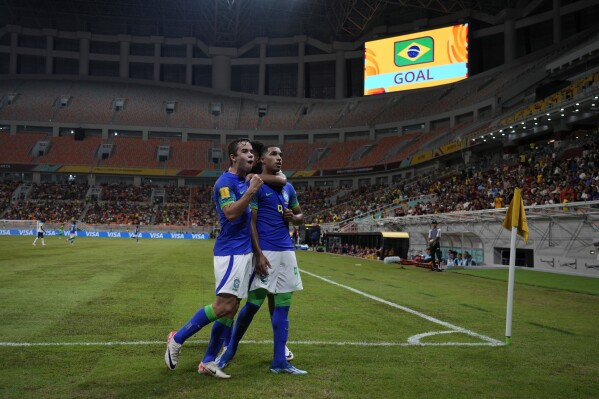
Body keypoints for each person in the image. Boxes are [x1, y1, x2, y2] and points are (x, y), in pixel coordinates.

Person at [165, 138, 264, 379]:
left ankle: (208, 361)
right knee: (223, 306)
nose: (251, 155)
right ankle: (177, 339)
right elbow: (230, 213)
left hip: (243, 252)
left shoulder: (242, 180)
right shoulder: (225, 183)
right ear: (233, 157)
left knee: (232, 310)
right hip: (230, 252)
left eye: (252, 152)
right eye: (245, 152)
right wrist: (251, 191)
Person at [216, 144, 307, 374]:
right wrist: (258, 254)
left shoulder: (288, 188)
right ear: (263, 160)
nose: (279, 159)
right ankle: (230, 350)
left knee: (283, 307)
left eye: (281, 155)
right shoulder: (256, 185)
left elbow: (300, 216)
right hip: (267, 253)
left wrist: (293, 217)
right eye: (274, 155)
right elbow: (251, 223)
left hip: (287, 251)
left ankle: (279, 361)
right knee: (252, 306)